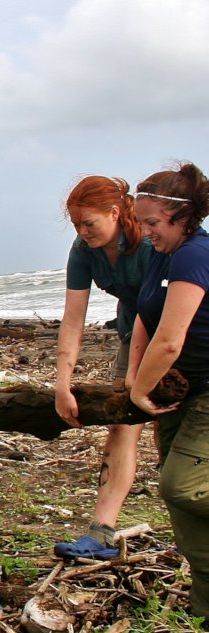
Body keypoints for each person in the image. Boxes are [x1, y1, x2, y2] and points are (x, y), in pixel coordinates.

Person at [52, 176, 153, 560]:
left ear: (114, 212)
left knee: (174, 429)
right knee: (122, 422)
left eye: (88, 223)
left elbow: (162, 305)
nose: (81, 232)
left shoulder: (148, 240)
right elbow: (73, 319)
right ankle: (101, 533)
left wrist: (141, 371)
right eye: (76, 224)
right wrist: (62, 383)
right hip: (134, 332)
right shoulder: (84, 250)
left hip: (184, 329)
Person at [129, 163, 209, 620]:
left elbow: (172, 337)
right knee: (188, 524)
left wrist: (139, 391)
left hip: (207, 391)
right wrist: (133, 379)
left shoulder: (195, 255)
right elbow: (145, 313)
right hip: (178, 392)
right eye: (141, 223)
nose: (145, 232)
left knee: (181, 486)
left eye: (153, 223)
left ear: (183, 217)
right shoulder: (162, 253)